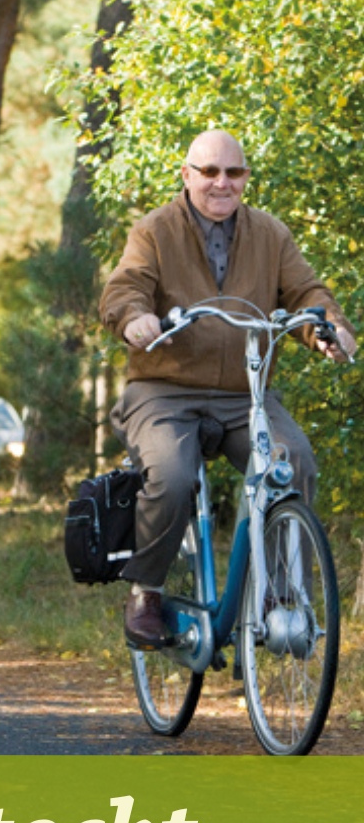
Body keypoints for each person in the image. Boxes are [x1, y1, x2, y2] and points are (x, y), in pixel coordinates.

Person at [100, 129, 356, 648]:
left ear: (244, 178)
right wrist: (134, 318)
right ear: (186, 174)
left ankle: (280, 596)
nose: (222, 183)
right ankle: (146, 593)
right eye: (210, 172)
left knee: (294, 461)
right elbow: (126, 286)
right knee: (171, 478)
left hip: (247, 394)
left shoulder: (270, 234)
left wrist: (328, 328)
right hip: (164, 389)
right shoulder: (154, 230)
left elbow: (306, 292)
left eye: (233, 173)